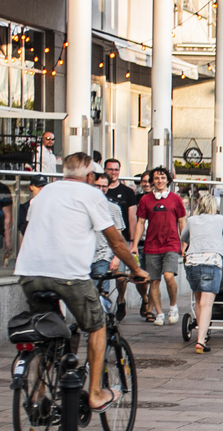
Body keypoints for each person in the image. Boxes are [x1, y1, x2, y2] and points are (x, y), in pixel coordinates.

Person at [16, 151, 141, 414]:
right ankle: (95, 393)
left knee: (47, 330)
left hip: (29, 273)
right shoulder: (92, 194)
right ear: (89, 176)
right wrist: (136, 269)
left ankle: (38, 396)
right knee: (96, 326)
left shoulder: (44, 193)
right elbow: (116, 241)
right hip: (69, 275)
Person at [180, 189, 223, 354]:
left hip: (192, 262)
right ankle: (201, 340)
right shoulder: (219, 219)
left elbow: (183, 237)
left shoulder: (192, 220)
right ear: (213, 206)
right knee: (207, 303)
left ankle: (202, 333)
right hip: (211, 262)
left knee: (198, 301)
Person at [135, 167, 186, 325]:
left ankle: (172, 306)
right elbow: (141, 223)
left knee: (169, 276)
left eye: (163, 178)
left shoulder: (176, 199)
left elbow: (182, 221)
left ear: (168, 180)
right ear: (152, 181)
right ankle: (158, 313)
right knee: (154, 281)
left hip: (171, 243)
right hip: (152, 245)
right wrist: (134, 244)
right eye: (156, 178)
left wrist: (184, 244)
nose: (160, 181)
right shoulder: (145, 200)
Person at [98, 158, 141, 314]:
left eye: (116, 170)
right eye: (110, 169)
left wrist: (131, 241)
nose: (113, 173)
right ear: (105, 170)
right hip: (99, 243)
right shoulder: (98, 189)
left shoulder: (127, 192)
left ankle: (121, 299)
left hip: (119, 239)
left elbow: (132, 218)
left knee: (120, 276)